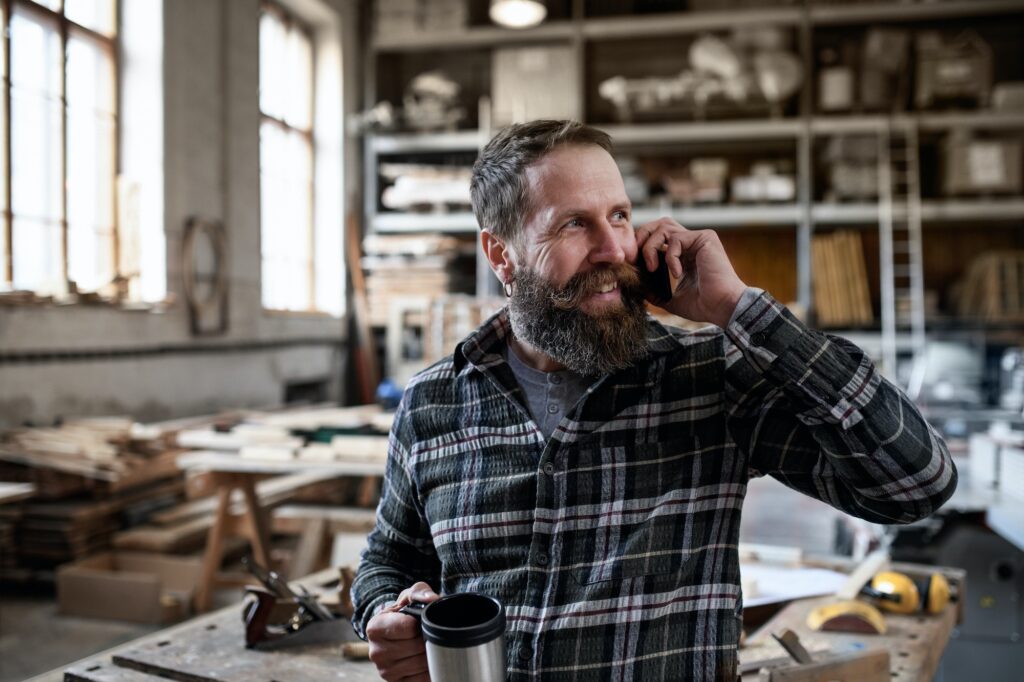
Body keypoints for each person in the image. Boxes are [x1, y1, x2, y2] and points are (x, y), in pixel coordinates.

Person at [351, 119, 957, 681]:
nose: (614, 249)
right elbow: (388, 559)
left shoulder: (708, 379)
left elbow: (916, 483)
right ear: (501, 255)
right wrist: (385, 610)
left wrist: (737, 309)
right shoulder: (434, 402)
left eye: (619, 216)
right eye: (573, 224)